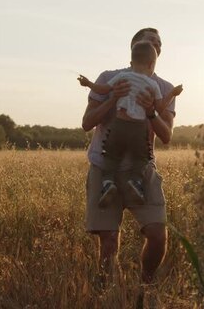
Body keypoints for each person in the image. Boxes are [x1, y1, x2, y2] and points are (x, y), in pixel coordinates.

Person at [81, 28, 176, 302]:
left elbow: (166, 135)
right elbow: (87, 123)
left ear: (158, 53)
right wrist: (112, 98)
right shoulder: (110, 78)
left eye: (157, 42)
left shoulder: (163, 88)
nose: (153, 44)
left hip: (141, 167)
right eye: (147, 40)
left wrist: (150, 111)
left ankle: (144, 289)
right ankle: (104, 295)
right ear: (133, 47)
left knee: (157, 234)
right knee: (109, 240)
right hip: (105, 165)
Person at [78, 42, 182, 207]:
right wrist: (172, 94)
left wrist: (88, 83)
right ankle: (136, 182)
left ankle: (107, 183)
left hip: (119, 125)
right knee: (141, 158)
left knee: (111, 155)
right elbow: (160, 108)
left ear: (131, 63)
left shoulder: (123, 78)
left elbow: (103, 89)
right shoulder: (153, 85)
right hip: (138, 129)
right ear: (151, 65)